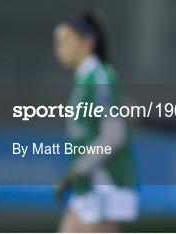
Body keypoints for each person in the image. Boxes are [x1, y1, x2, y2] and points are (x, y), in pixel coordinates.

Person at [54, 12, 138, 232]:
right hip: (88, 185)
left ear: (87, 42)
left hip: (104, 184)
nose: (60, 48)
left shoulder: (100, 77)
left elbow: (114, 135)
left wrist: (77, 170)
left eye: (67, 41)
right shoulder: (84, 79)